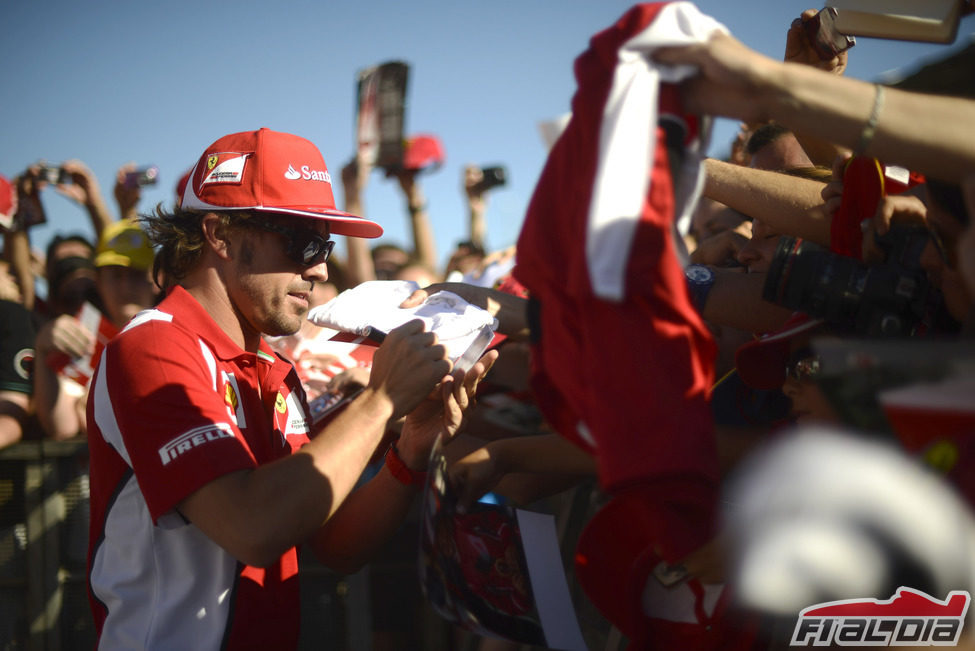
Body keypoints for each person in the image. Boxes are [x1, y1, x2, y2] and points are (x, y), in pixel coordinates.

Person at [85, 127, 496, 650]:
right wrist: (381, 400)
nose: (321, 266)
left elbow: (335, 544)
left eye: (324, 243)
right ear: (220, 234)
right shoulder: (152, 347)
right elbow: (253, 527)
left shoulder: (271, 365)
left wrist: (409, 448)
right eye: (302, 240)